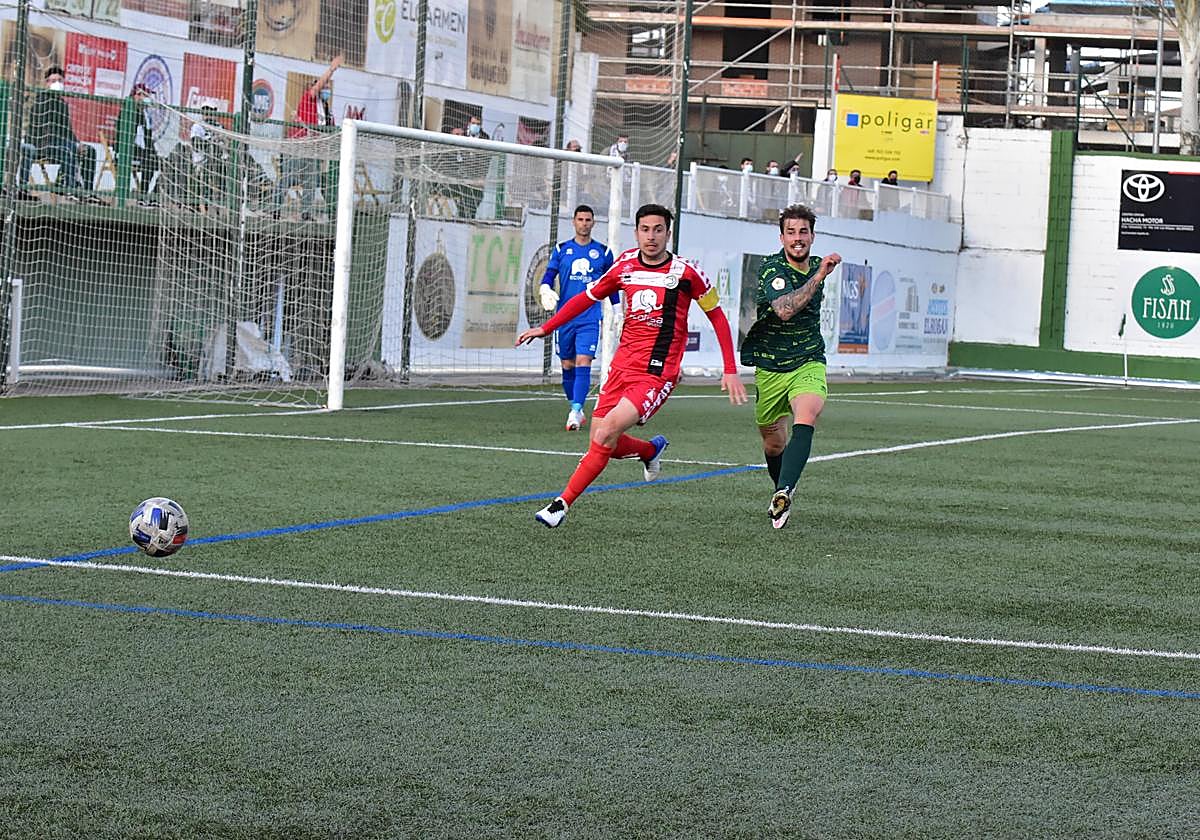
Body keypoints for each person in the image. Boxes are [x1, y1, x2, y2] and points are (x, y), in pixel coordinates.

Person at [516, 203, 748, 528]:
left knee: (608, 431)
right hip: (621, 367)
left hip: (657, 372)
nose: (651, 237)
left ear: (668, 233)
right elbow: (588, 297)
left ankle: (561, 504)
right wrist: (547, 326)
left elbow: (717, 316)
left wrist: (729, 367)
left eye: (658, 230)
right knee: (601, 441)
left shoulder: (686, 273)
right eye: (644, 229)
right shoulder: (624, 265)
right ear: (637, 231)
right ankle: (650, 451)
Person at [739, 204, 841, 529]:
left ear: (812, 235)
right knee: (772, 442)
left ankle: (785, 490)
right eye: (791, 232)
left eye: (804, 232)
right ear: (781, 236)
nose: (798, 239)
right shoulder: (772, 268)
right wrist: (819, 275)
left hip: (808, 359)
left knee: (807, 413)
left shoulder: (816, 264)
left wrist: (818, 271)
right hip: (770, 364)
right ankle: (779, 490)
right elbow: (784, 309)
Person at [537, 205, 616, 431]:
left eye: (588, 219)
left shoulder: (603, 252)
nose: (584, 223)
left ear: (593, 223)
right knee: (567, 364)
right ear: (574, 222)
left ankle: (575, 410)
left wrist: (618, 311)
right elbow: (551, 273)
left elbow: (611, 285)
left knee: (584, 361)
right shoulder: (562, 249)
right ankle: (576, 407)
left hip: (590, 317)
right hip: (565, 317)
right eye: (580, 219)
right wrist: (545, 288)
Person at [275, 55, 342, 219]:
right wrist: (331, 69)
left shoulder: (325, 108)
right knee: (288, 179)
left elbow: (329, 128)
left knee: (311, 183)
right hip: (298, 145)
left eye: (327, 87)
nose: (327, 90)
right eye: (324, 86)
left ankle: (306, 213)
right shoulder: (309, 98)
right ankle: (273, 209)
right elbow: (317, 86)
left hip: (313, 150)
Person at [27, 66, 97, 197]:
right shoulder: (40, 101)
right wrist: (71, 144)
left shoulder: (63, 104)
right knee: (68, 149)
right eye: (53, 81)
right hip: (43, 144)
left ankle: (87, 192)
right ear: (46, 83)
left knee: (89, 150)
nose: (56, 84)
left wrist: (78, 143)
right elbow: (44, 129)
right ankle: (70, 189)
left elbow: (67, 130)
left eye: (59, 80)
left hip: (63, 145)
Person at [129, 83, 162, 203]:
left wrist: (153, 152)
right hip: (129, 151)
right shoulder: (129, 110)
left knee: (166, 163)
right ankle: (142, 196)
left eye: (146, 95)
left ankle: (154, 195)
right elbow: (129, 137)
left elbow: (148, 139)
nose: (144, 98)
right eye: (140, 95)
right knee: (149, 161)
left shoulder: (146, 115)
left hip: (144, 152)